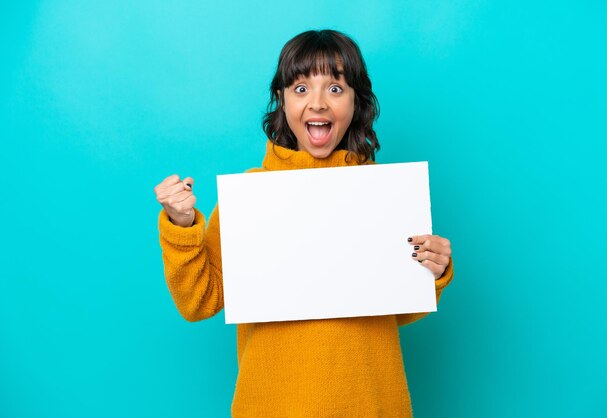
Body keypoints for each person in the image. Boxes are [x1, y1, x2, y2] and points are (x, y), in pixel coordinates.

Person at [154, 29, 454, 417]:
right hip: (273, 405)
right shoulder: (249, 197)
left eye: (335, 88)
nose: (317, 104)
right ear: (281, 99)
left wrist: (434, 270)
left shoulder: (385, 195)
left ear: (356, 101)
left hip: (372, 403)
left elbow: (398, 312)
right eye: (300, 89)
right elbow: (199, 301)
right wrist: (181, 225)